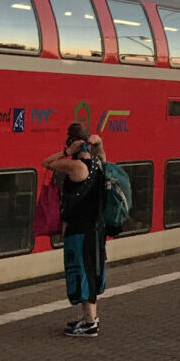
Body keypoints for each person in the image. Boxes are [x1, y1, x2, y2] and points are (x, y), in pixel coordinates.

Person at [45, 131, 106, 337]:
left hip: (79, 231)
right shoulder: (98, 164)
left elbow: (47, 163)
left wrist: (65, 151)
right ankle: (91, 318)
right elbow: (102, 154)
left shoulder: (76, 166)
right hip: (95, 230)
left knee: (82, 273)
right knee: (90, 272)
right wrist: (99, 144)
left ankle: (89, 323)